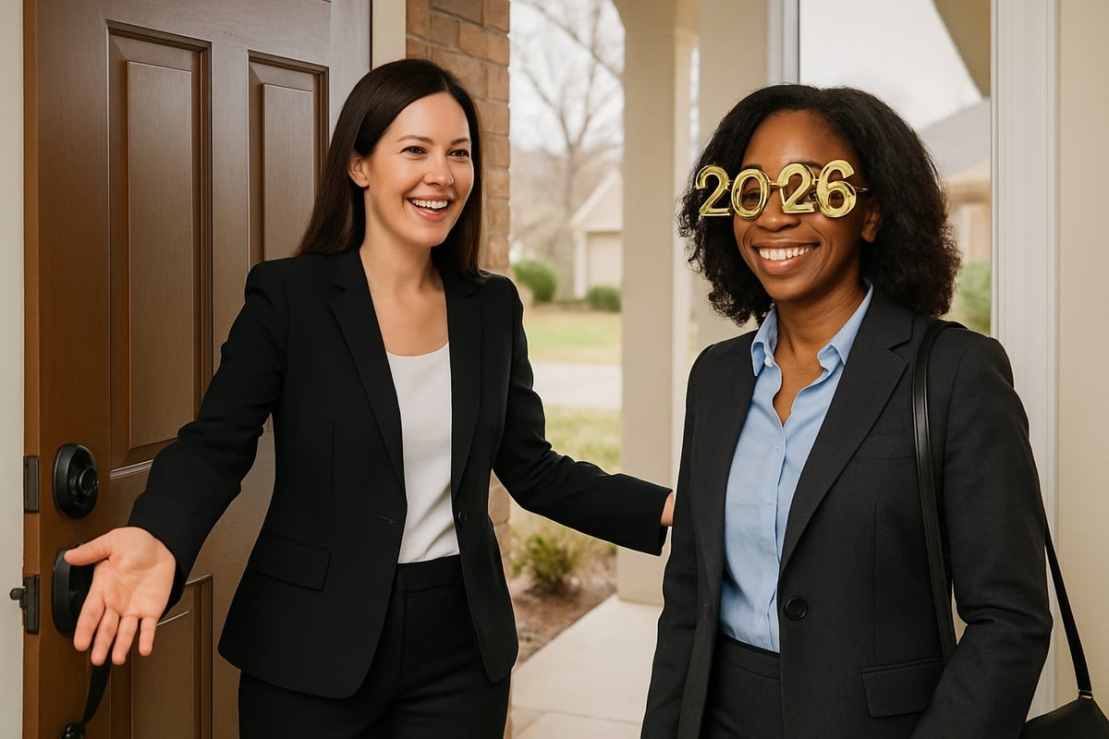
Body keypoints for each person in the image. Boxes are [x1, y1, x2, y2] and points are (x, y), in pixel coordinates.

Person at [65, 58, 675, 738]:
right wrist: (161, 534)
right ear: (359, 165)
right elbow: (216, 443)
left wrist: (667, 507)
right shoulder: (288, 298)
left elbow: (531, 466)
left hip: (460, 648)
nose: (440, 175)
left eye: (458, 153)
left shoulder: (491, 307)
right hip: (309, 644)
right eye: (413, 149)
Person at [641, 84, 1051, 739]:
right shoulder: (715, 378)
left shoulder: (952, 373)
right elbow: (688, 595)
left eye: (810, 188)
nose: (774, 215)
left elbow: (1010, 618)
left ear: (869, 214)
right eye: (751, 190)